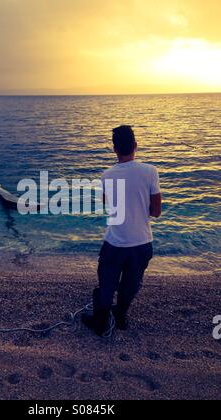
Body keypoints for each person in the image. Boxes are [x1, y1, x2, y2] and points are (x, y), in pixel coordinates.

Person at [82, 125, 162, 337]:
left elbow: (107, 204)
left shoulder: (107, 175)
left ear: (114, 149)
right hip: (142, 244)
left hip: (115, 243)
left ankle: (100, 321)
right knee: (131, 285)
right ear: (135, 146)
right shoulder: (151, 171)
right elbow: (156, 212)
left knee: (107, 284)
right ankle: (121, 316)